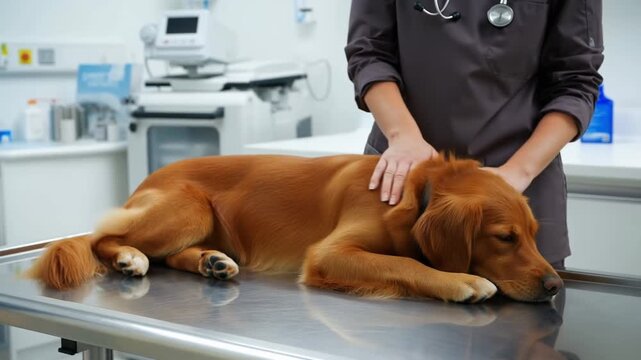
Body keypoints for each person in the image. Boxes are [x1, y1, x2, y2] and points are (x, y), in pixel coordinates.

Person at [345, 0, 604, 268]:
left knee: (524, 303)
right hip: (405, 186)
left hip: (517, 193)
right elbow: (369, 52)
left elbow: (576, 81)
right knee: (386, 299)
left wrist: (517, 172)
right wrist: (403, 136)